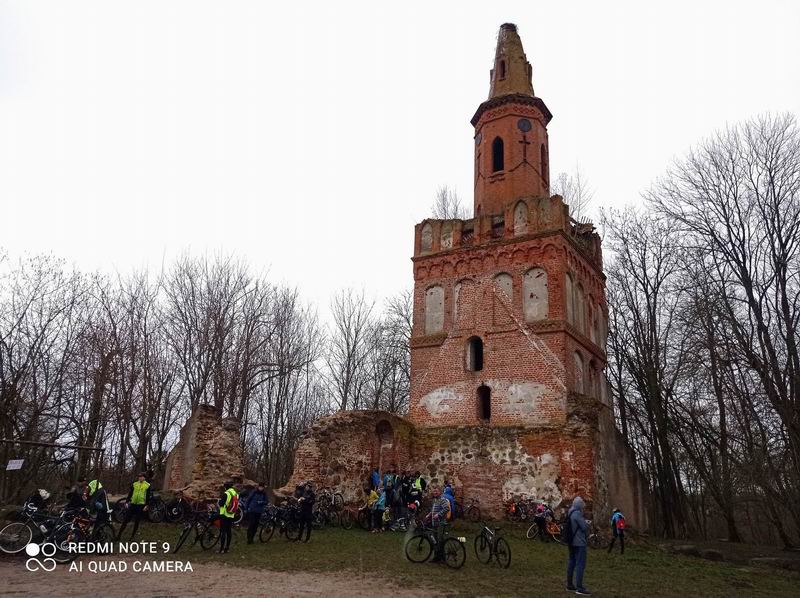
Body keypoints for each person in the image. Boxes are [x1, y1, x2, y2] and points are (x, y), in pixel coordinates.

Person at [566, 496, 591, 596]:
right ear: (580, 505)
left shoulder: (570, 511)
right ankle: (579, 587)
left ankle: (569, 584)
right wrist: (587, 524)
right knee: (580, 564)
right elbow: (584, 527)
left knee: (571, 561)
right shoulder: (577, 513)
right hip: (579, 542)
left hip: (571, 541)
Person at [117, 472, 152, 541]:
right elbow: (130, 493)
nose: (140, 478)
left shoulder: (147, 485)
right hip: (133, 504)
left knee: (137, 521)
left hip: (141, 505)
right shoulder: (135, 484)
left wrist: (147, 505)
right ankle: (119, 535)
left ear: (144, 478)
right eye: (139, 476)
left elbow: (148, 496)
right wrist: (127, 501)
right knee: (125, 520)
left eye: (141, 476)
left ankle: (132, 536)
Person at [427, 486, 451, 561]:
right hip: (435, 523)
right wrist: (429, 514)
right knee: (435, 541)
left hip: (441, 523)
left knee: (440, 540)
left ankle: (443, 558)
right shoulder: (435, 500)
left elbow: (447, 508)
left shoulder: (442, 500)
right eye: (434, 491)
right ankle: (436, 557)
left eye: (437, 491)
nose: (435, 493)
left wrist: (439, 515)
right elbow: (434, 509)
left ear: (440, 492)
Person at [217, 481, 239, 554]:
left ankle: (221, 549)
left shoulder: (226, 493)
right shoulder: (235, 493)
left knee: (223, 532)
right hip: (231, 514)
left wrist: (219, 502)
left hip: (224, 514)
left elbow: (221, 504)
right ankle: (227, 548)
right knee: (229, 531)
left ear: (226, 487)